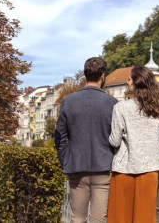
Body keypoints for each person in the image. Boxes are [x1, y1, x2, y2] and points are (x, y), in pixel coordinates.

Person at [55, 57, 118, 222]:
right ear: (103, 76)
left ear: (85, 74)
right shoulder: (113, 103)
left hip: (76, 167)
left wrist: (66, 161)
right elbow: (117, 137)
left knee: (77, 218)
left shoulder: (68, 101)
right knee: (98, 219)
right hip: (104, 167)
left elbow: (60, 137)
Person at [107, 66, 159, 223]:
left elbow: (115, 140)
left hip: (124, 169)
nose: (127, 82)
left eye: (129, 79)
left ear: (136, 83)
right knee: (145, 217)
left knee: (120, 217)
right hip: (150, 169)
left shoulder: (121, 108)